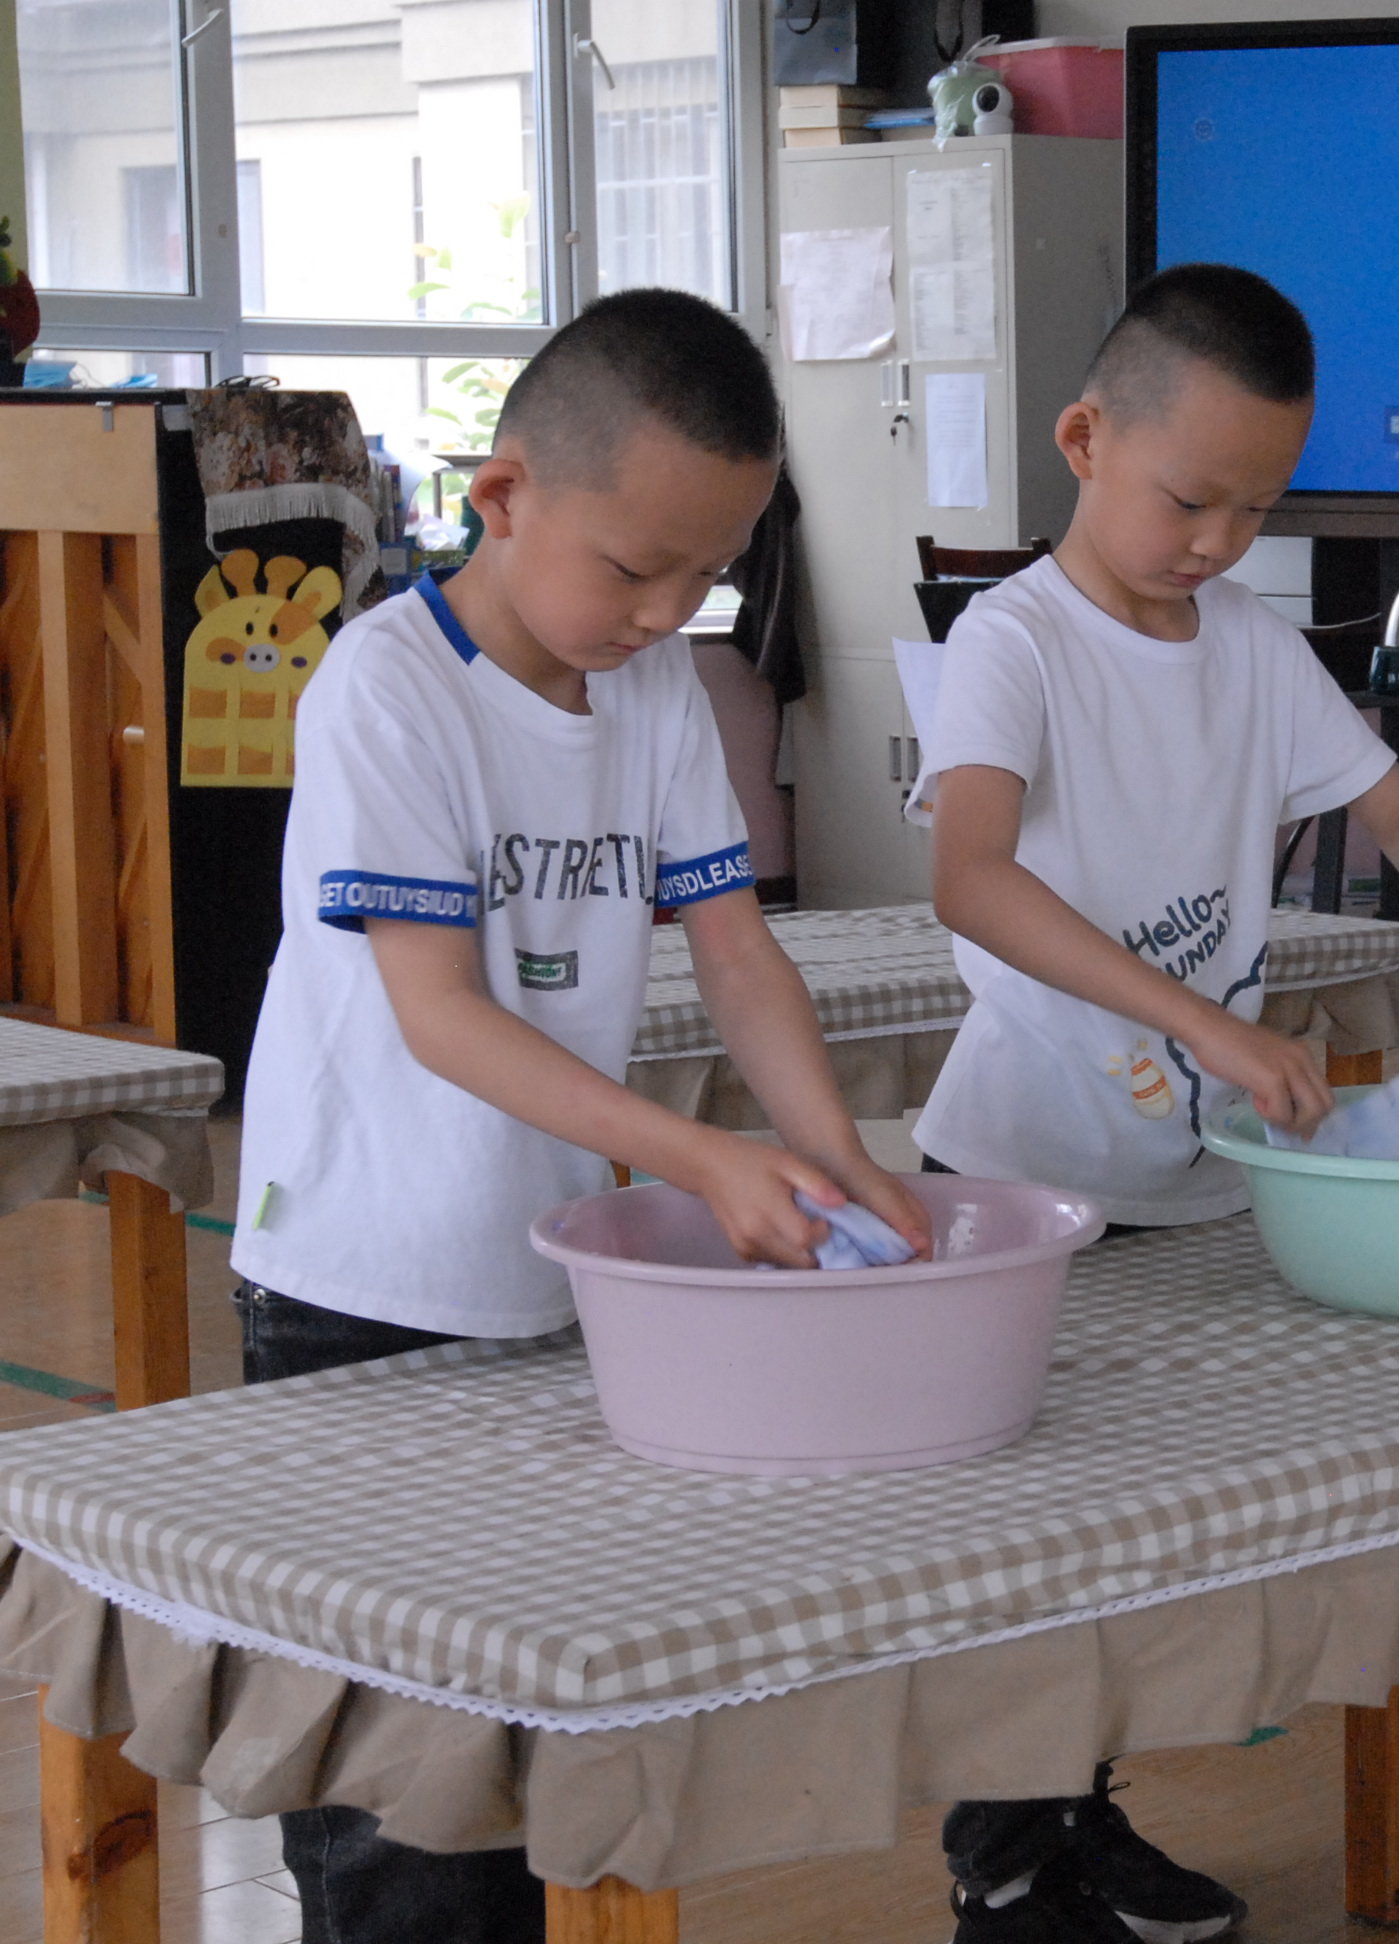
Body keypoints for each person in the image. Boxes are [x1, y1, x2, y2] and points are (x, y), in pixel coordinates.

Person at [230, 286, 931, 1944]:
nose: (667, 610)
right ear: (504, 493)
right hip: (358, 1290)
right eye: (634, 570)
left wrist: (832, 1150)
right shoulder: (386, 693)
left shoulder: (659, 693)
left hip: (547, 1281)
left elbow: (741, 953)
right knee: (398, 1782)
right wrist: (697, 1155)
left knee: (526, 1723)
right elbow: (440, 1012)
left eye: (711, 576)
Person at [912, 263, 1399, 1942]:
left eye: (1252, 512)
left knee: (1134, 1536)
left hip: (1186, 1177)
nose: (1214, 541)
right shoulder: (1015, 639)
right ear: (1082, 438)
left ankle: (1082, 1818)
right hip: (1027, 1166)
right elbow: (971, 877)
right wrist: (1198, 1011)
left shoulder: (1253, 649)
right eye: (1189, 498)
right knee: (1024, 1544)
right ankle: (1005, 1857)